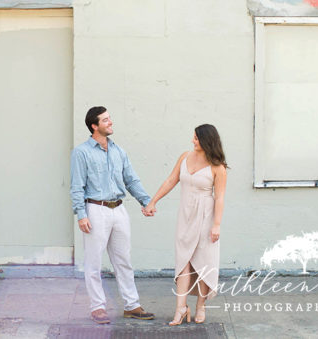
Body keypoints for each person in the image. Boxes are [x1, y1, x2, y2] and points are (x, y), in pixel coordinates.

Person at [69, 106, 155, 325]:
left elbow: (131, 180)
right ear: (94, 126)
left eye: (110, 118)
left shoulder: (118, 151)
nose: (111, 122)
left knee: (123, 260)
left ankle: (132, 305)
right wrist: (81, 214)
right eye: (105, 120)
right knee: (93, 262)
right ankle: (97, 307)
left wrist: (146, 202)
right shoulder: (81, 152)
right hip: (95, 210)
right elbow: (77, 186)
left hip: (119, 210)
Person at [144, 124, 228, 325]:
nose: (193, 141)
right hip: (186, 215)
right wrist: (153, 201)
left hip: (206, 217)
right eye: (193, 137)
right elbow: (170, 180)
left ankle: (200, 306)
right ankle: (180, 308)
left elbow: (219, 198)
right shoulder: (184, 157)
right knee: (184, 260)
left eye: (196, 138)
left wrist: (216, 224)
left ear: (207, 140)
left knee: (204, 262)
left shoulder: (218, 167)